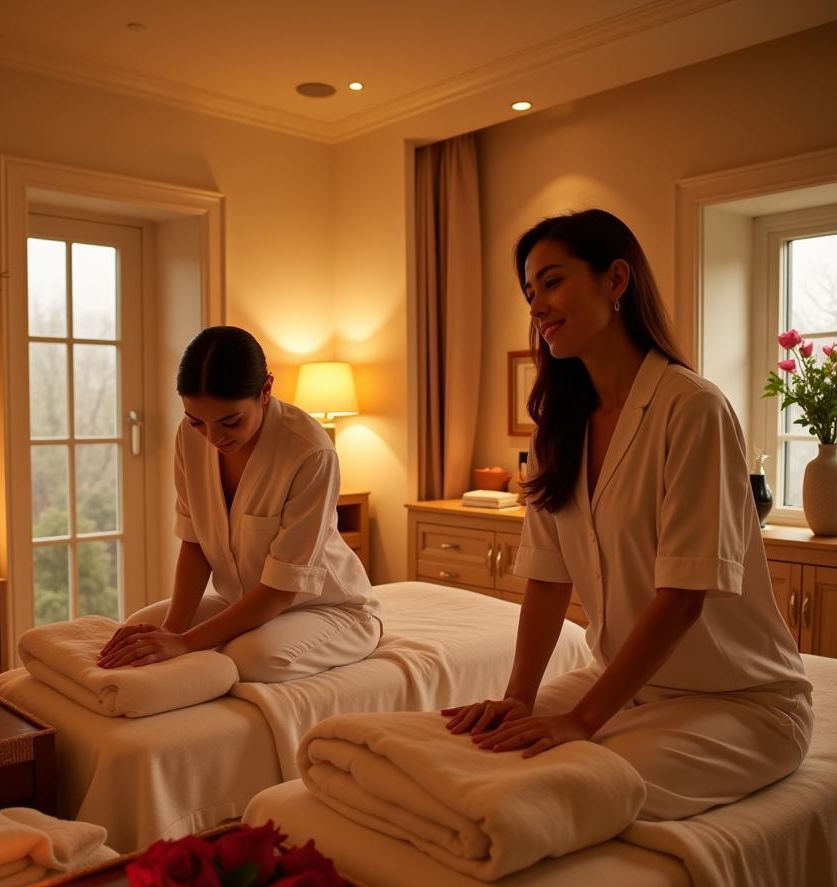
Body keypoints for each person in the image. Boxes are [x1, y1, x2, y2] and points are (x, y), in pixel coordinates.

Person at [443, 209, 812, 821]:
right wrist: (521, 698)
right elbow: (547, 579)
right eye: (530, 292)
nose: (536, 306)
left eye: (552, 282)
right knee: (472, 755)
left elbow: (684, 596)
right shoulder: (559, 430)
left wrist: (584, 721)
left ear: (615, 280)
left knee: (551, 795)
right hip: (626, 683)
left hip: (739, 703)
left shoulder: (692, 409)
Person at [98, 325, 383, 682]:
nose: (214, 438)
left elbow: (281, 589)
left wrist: (186, 644)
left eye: (230, 422)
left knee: (254, 658)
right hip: (241, 602)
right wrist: (172, 630)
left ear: (265, 391)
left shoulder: (309, 452)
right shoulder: (190, 438)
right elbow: (195, 542)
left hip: (326, 608)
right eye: (198, 421)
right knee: (142, 628)